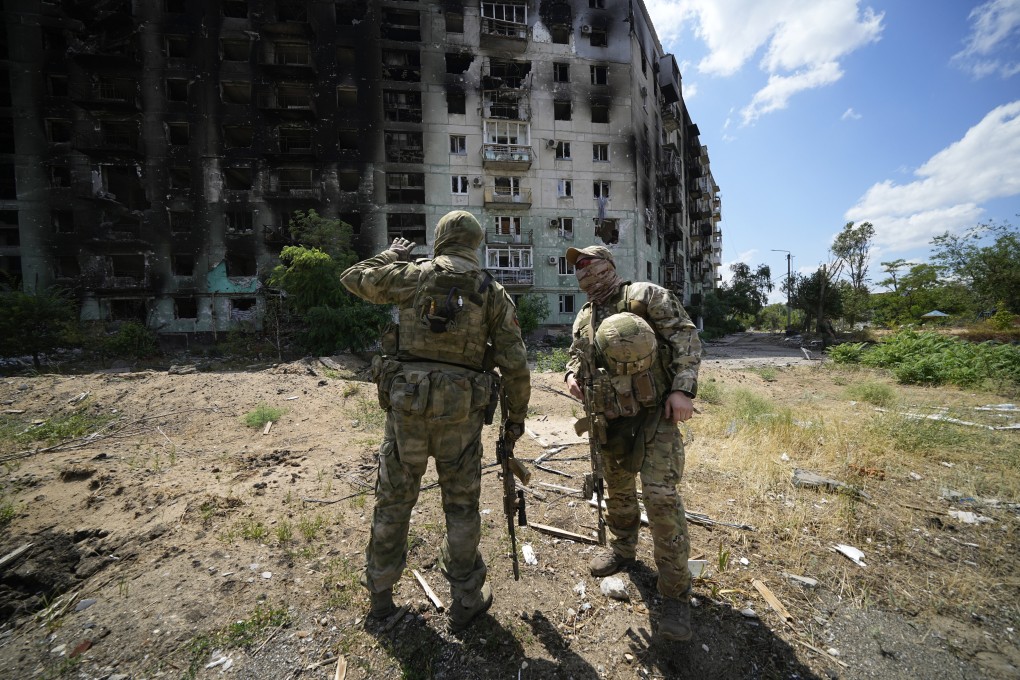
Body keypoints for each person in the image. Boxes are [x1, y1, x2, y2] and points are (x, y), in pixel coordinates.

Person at [340, 210, 530, 632]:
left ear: (441, 239)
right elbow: (515, 365)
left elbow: (353, 277)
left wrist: (390, 253)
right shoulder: (492, 291)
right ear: (477, 243)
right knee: (461, 508)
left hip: (407, 411)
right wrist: (514, 421)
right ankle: (465, 599)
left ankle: (381, 600)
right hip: (460, 416)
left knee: (393, 501)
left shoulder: (412, 274)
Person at [563, 245, 701, 642]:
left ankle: (675, 595)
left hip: (654, 414)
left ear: (610, 265)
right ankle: (623, 550)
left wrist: (683, 390)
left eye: (590, 262)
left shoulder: (644, 296)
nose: (584, 270)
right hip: (609, 420)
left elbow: (684, 337)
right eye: (578, 267)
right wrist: (571, 375)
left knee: (659, 499)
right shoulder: (585, 316)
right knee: (618, 493)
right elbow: (576, 356)